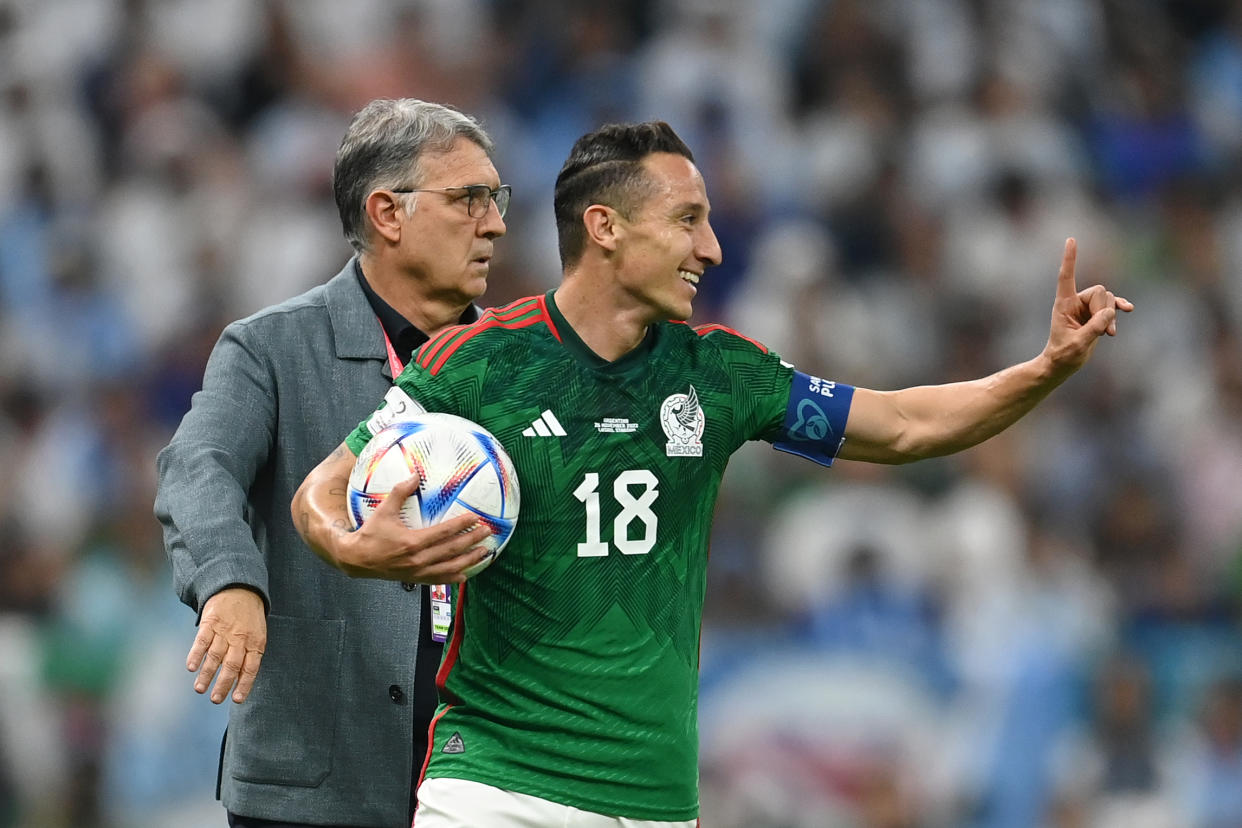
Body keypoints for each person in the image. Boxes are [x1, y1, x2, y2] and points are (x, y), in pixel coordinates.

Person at [291, 121, 1133, 827]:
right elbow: (323, 493)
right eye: (688, 220)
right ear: (606, 228)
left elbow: (906, 425)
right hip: (498, 789)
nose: (713, 247)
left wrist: (1045, 369)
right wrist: (358, 551)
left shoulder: (721, 376)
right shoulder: (478, 367)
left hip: (656, 800)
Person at [153, 98, 508, 828]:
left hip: (487, 785)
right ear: (387, 212)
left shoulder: (526, 366)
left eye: (496, 200)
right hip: (309, 788)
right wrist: (230, 582)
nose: (495, 223)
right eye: (470, 199)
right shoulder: (271, 349)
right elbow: (198, 466)